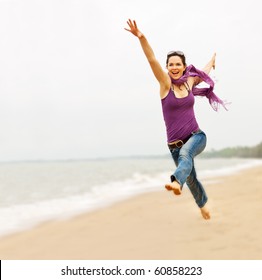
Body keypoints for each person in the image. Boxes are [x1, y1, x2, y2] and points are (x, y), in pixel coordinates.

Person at [125, 19, 228, 220]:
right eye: (170, 64)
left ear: (183, 66)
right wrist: (141, 37)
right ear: (167, 67)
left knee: (187, 154)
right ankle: (203, 204)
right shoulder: (165, 84)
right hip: (174, 146)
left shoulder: (189, 81)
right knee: (192, 178)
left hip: (197, 136)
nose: (174, 67)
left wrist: (211, 62)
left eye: (177, 64)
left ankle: (174, 181)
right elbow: (152, 60)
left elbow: (203, 73)